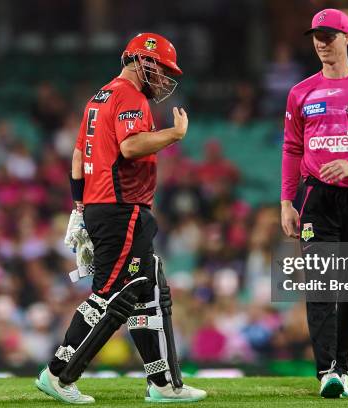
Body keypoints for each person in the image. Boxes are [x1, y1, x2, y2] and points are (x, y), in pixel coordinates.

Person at [35, 33, 207, 404]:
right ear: (143, 61)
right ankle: (58, 374)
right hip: (122, 207)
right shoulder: (130, 96)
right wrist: (173, 135)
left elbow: (79, 156)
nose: (163, 77)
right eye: (160, 67)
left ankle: (163, 385)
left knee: (150, 288)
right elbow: (130, 146)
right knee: (112, 293)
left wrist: (80, 207)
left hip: (104, 206)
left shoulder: (99, 98)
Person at [280, 9, 348, 398]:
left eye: (329, 36)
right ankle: (327, 370)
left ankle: (343, 368)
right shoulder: (300, 92)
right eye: (316, 36)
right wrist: (285, 202)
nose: (321, 43)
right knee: (322, 284)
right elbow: (292, 148)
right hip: (316, 197)